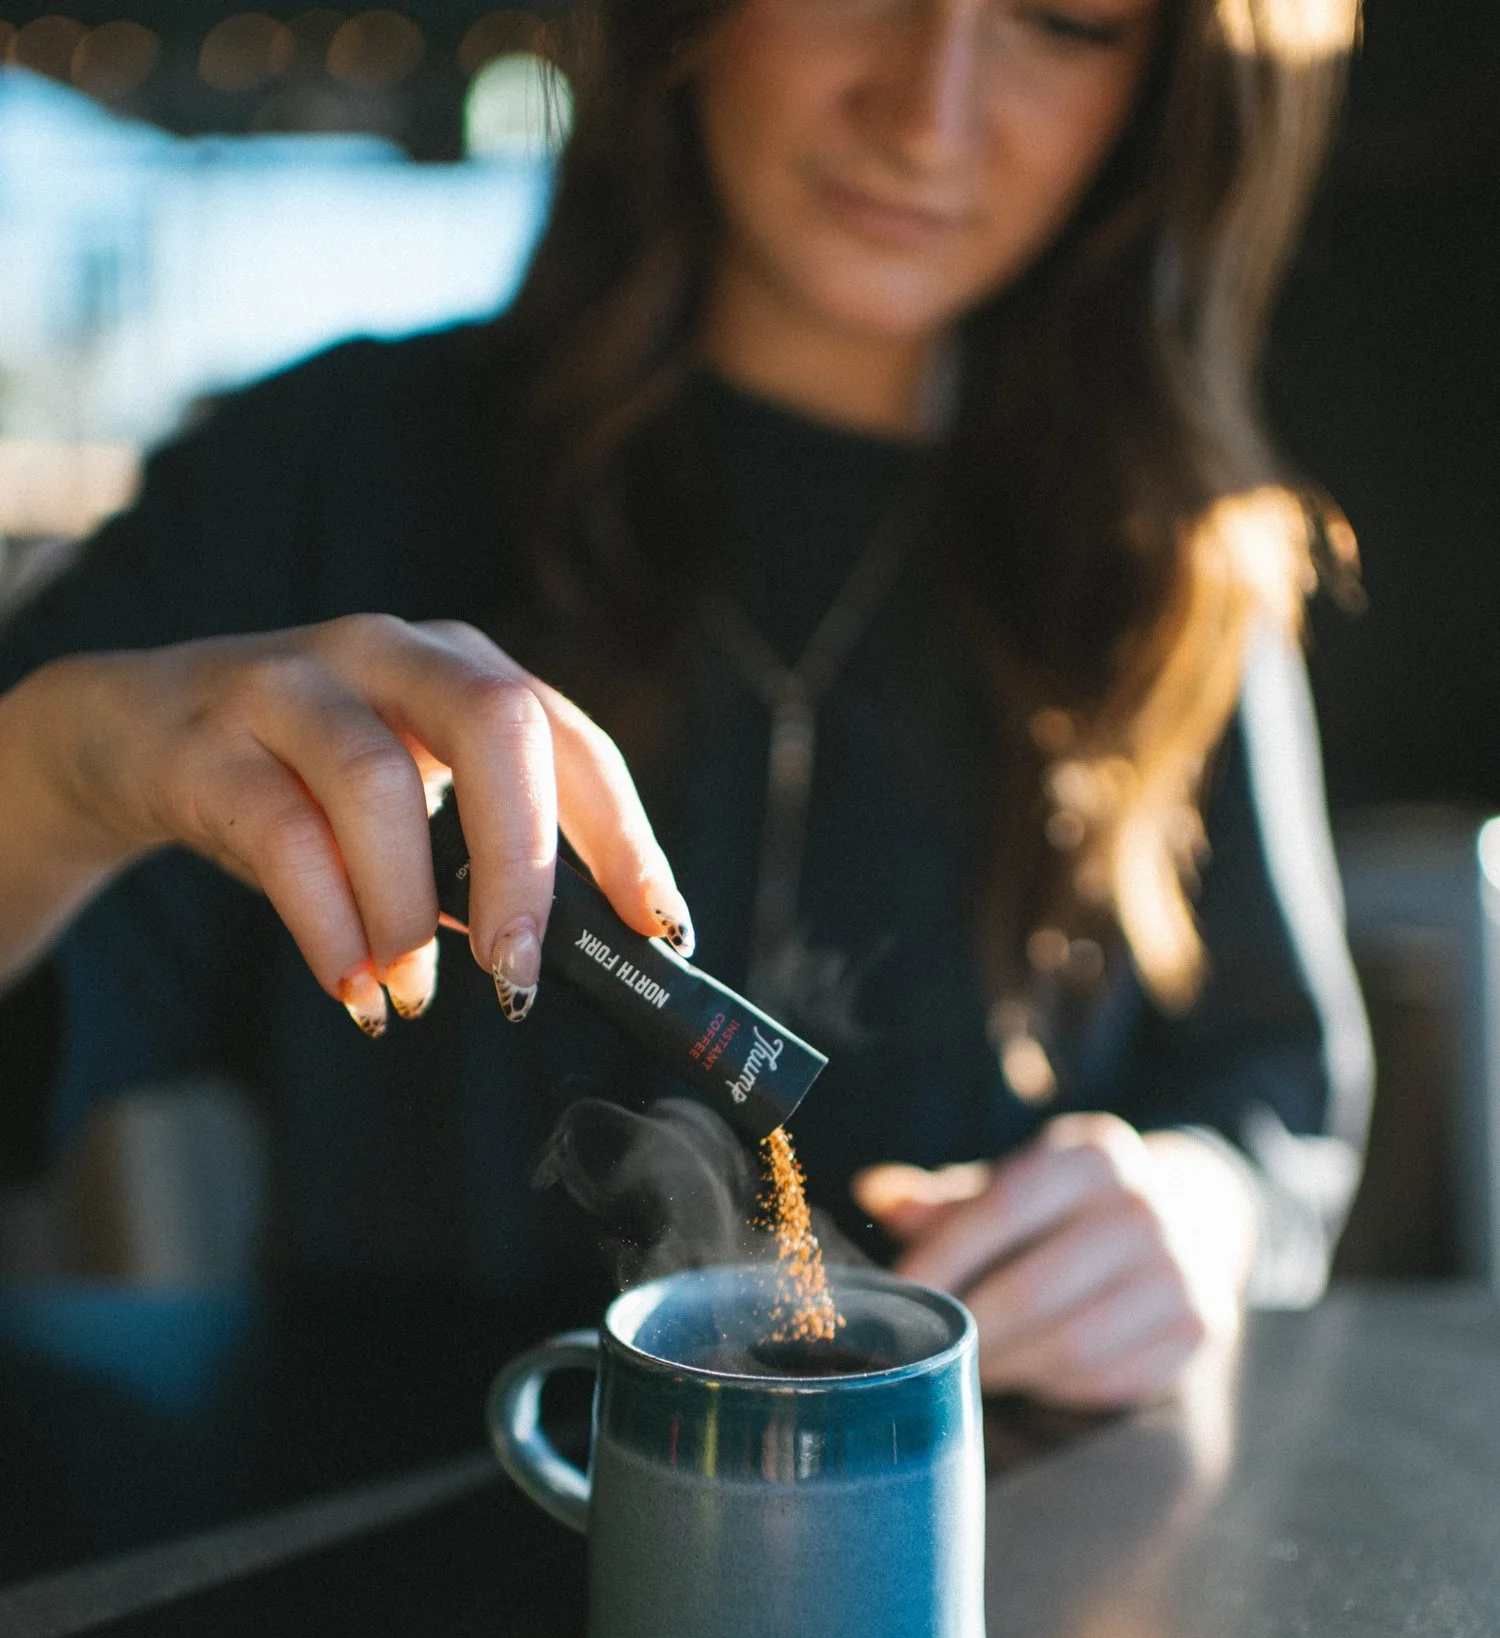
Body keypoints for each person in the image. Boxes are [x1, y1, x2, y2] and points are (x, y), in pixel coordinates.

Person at [0, 0, 1371, 1407]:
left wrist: (1200, 1212)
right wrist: (59, 774)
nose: (927, 115)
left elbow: (1269, 1096)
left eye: (1066, 18)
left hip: (989, 1515)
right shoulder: (319, 479)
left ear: (1162, 96)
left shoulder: (1165, 565)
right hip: (383, 1495)